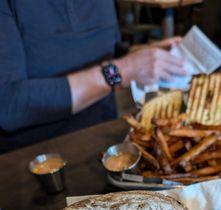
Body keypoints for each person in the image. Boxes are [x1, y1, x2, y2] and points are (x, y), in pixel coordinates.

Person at [0, 0, 186, 152]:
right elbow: (9, 106)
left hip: (105, 144)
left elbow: (107, 54)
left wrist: (144, 56)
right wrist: (124, 69)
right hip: (33, 159)